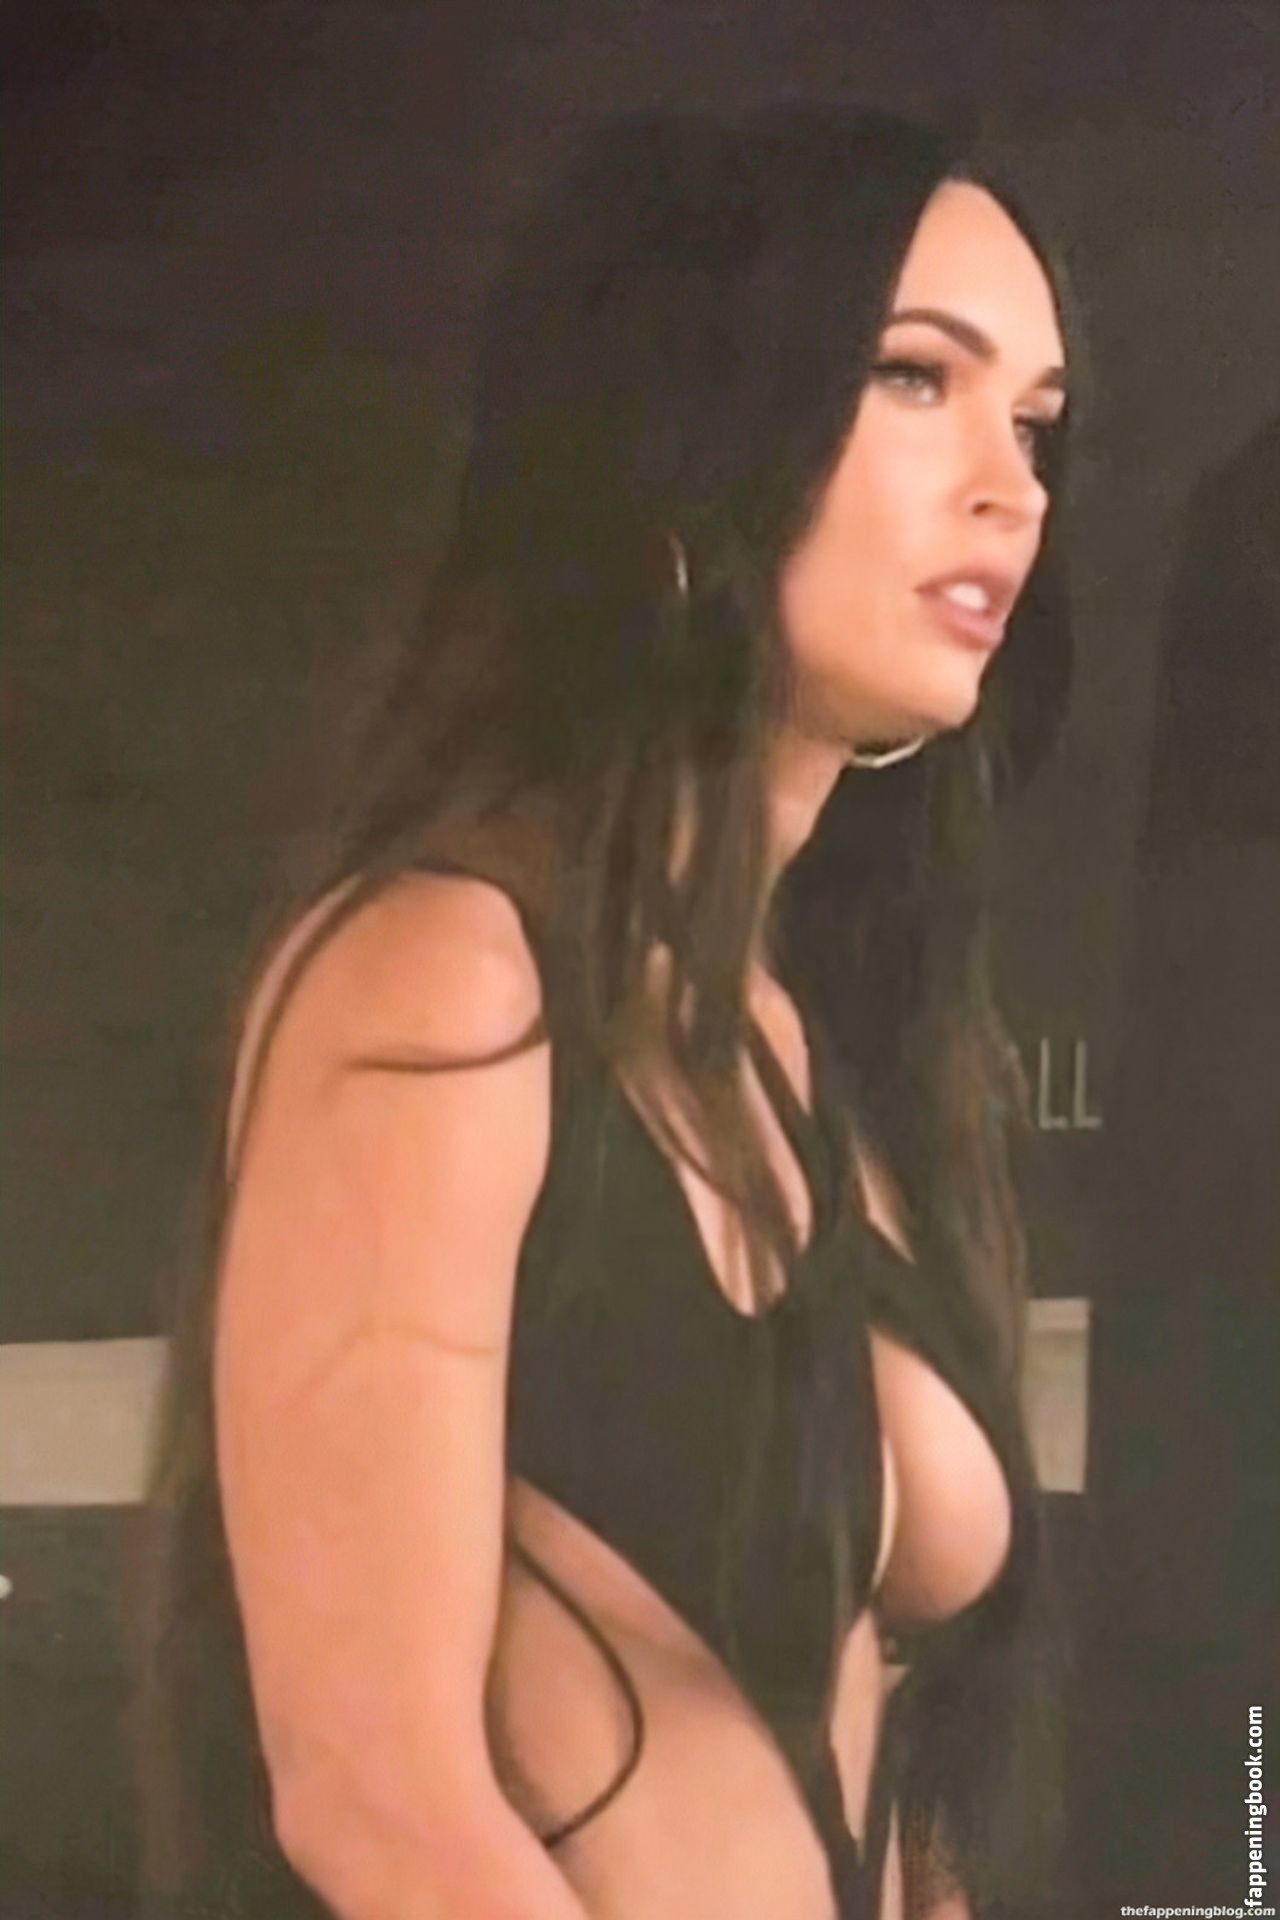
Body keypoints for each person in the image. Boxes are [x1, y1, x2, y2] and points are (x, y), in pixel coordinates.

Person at [132, 103, 1083, 1920]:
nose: (1013, 487)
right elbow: (376, 1795)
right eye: (913, 377)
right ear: (690, 429)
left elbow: (913, 1789)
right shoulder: (442, 982)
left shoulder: (818, 1040)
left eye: (1035, 421)